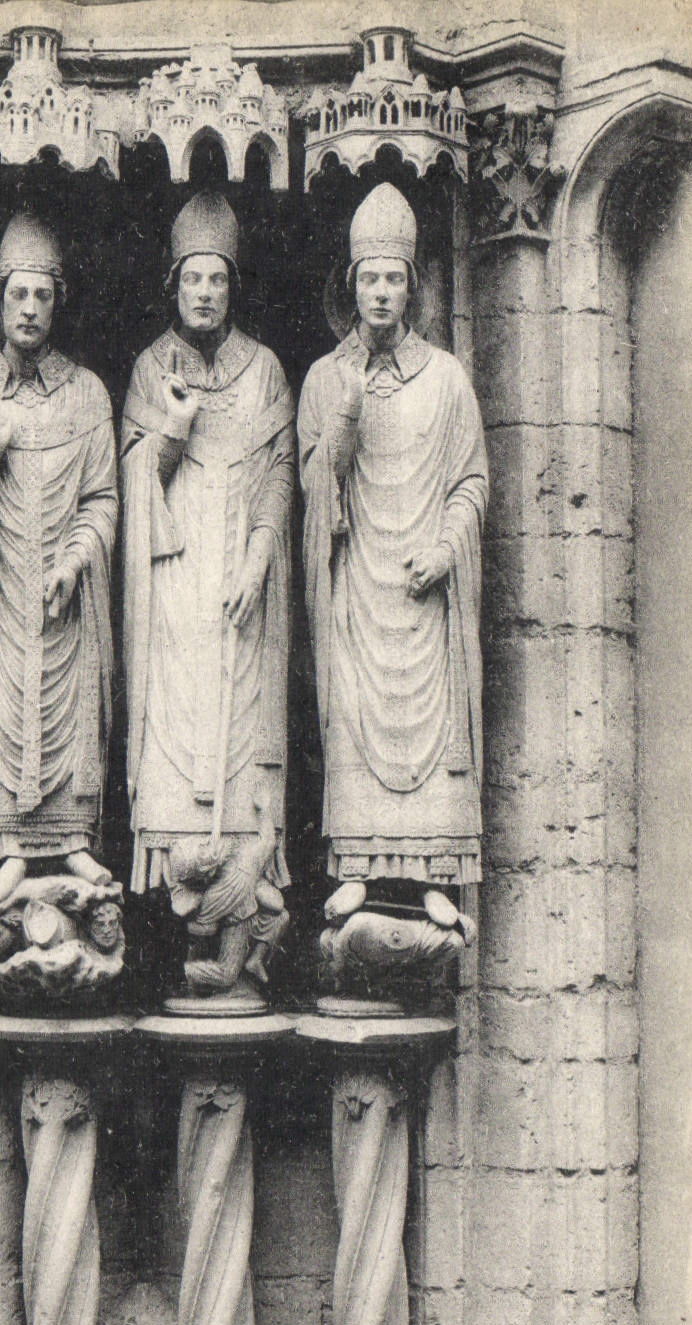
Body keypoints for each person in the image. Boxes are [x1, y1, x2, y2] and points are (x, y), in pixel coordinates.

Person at [297, 183, 488, 918]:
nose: (381, 293)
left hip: (424, 587)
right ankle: (361, 866)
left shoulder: (446, 380)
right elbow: (318, 485)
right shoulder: (322, 377)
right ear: (351, 286)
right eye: (369, 278)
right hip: (356, 583)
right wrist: (346, 405)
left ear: (413, 286)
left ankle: (433, 876)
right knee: (355, 714)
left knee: (431, 726)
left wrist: (445, 550)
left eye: (394, 278)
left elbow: (472, 481)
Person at [120, 192, 294, 996]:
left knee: (241, 727)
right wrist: (176, 429)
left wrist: (261, 556)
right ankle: (191, 912)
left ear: (233, 286)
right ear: (171, 285)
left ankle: (240, 909)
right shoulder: (150, 370)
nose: (204, 292)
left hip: (240, 589)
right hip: (176, 584)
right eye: (192, 278)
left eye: (216, 279)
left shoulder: (264, 371)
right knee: (180, 729)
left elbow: (279, 478)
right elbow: (133, 487)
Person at [0, 213, 118, 917]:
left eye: (43, 296)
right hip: (0, 596)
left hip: (62, 598)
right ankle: (10, 849)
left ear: (58, 302)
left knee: (70, 710)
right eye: (19, 295)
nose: (31, 309)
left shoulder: (87, 394)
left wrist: (74, 563)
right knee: (3, 708)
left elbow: (102, 498)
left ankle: (73, 837)